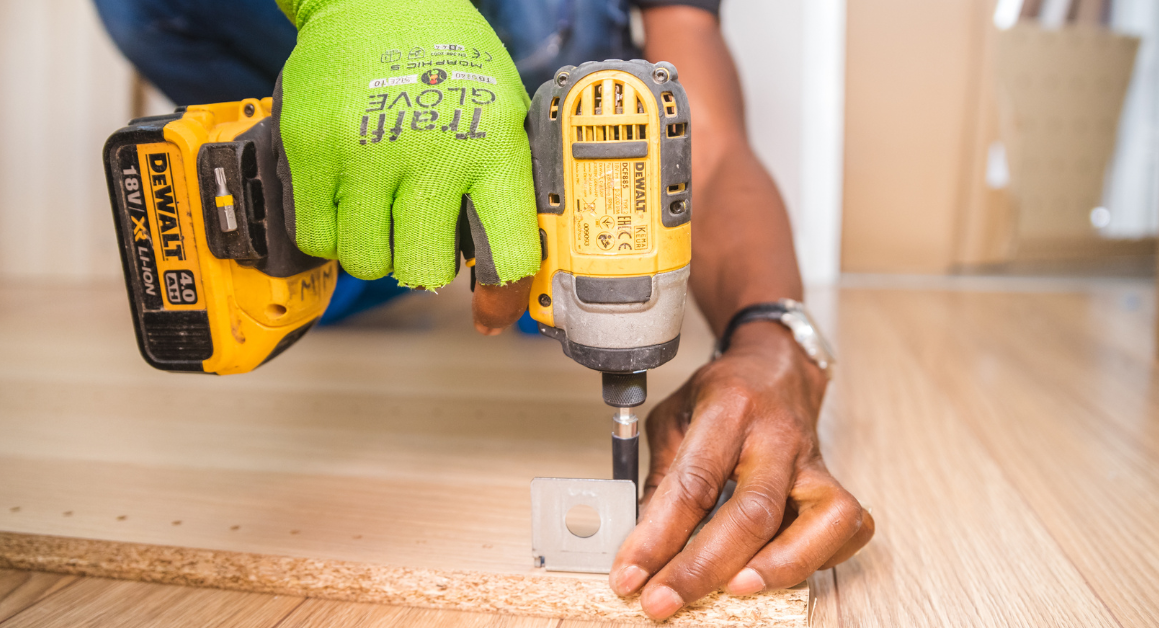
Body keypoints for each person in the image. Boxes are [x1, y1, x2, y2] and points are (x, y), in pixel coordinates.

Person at [93, 0, 875, 619]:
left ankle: (438, 214)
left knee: (539, 26)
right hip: (329, 51)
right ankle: (351, 177)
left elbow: (705, 137)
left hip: (536, 68)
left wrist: (772, 337)